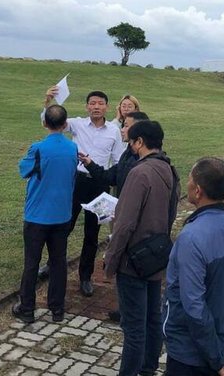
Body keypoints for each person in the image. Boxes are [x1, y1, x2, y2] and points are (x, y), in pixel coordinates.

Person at [163, 157, 224, 376]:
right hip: (223, 345)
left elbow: (193, 305)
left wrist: (218, 357)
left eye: (189, 180)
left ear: (197, 190)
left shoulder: (191, 238)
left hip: (190, 352)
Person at [104, 120, 180, 376]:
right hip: (156, 254)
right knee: (152, 318)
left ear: (139, 142)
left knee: (134, 327)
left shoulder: (139, 173)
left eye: (131, 141)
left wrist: (111, 259)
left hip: (133, 259)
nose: (131, 146)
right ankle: (148, 368)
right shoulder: (169, 168)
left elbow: (124, 223)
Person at [44, 85, 125, 296]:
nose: (96, 107)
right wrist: (48, 102)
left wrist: (111, 182)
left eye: (100, 103)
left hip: (100, 184)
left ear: (107, 107)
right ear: (86, 106)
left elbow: (117, 161)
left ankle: (85, 277)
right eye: (92, 103)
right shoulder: (77, 124)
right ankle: (51, 264)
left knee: (92, 233)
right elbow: (50, 120)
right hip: (76, 181)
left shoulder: (114, 131)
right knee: (65, 225)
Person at [79, 109, 150, 322]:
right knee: (124, 262)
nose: (122, 129)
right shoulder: (128, 154)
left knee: (136, 263)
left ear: (138, 133)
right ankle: (125, 307)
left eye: (126, 125)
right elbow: (111, 177)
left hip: (137, 221)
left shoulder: (146, 161)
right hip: (123, 215)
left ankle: (135, 312)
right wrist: (90, 164)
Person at [12, 105, 78, 324]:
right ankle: (57, 309)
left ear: (44, 123)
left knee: (31, 263)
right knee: (59, 262)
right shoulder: (72, 148)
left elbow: (23, 170)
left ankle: (27, 308)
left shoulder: (38, 148)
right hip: (61, 214)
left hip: (37, 215)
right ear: (65, 124)